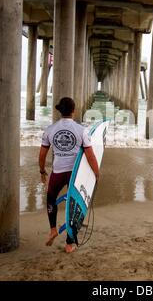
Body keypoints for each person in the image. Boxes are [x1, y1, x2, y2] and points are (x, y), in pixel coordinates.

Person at [39, 97, 100, 253]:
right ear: (74, 110)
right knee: (75, 206)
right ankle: (69, 243)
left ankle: (53, 229)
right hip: (75, 175)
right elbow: (90, 155)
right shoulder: (82, 130)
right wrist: (96, 173)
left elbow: (42, 154)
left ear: (60, 111)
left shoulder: (50, 129)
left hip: (58, 172)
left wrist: (42, 170)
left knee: (51, 198)